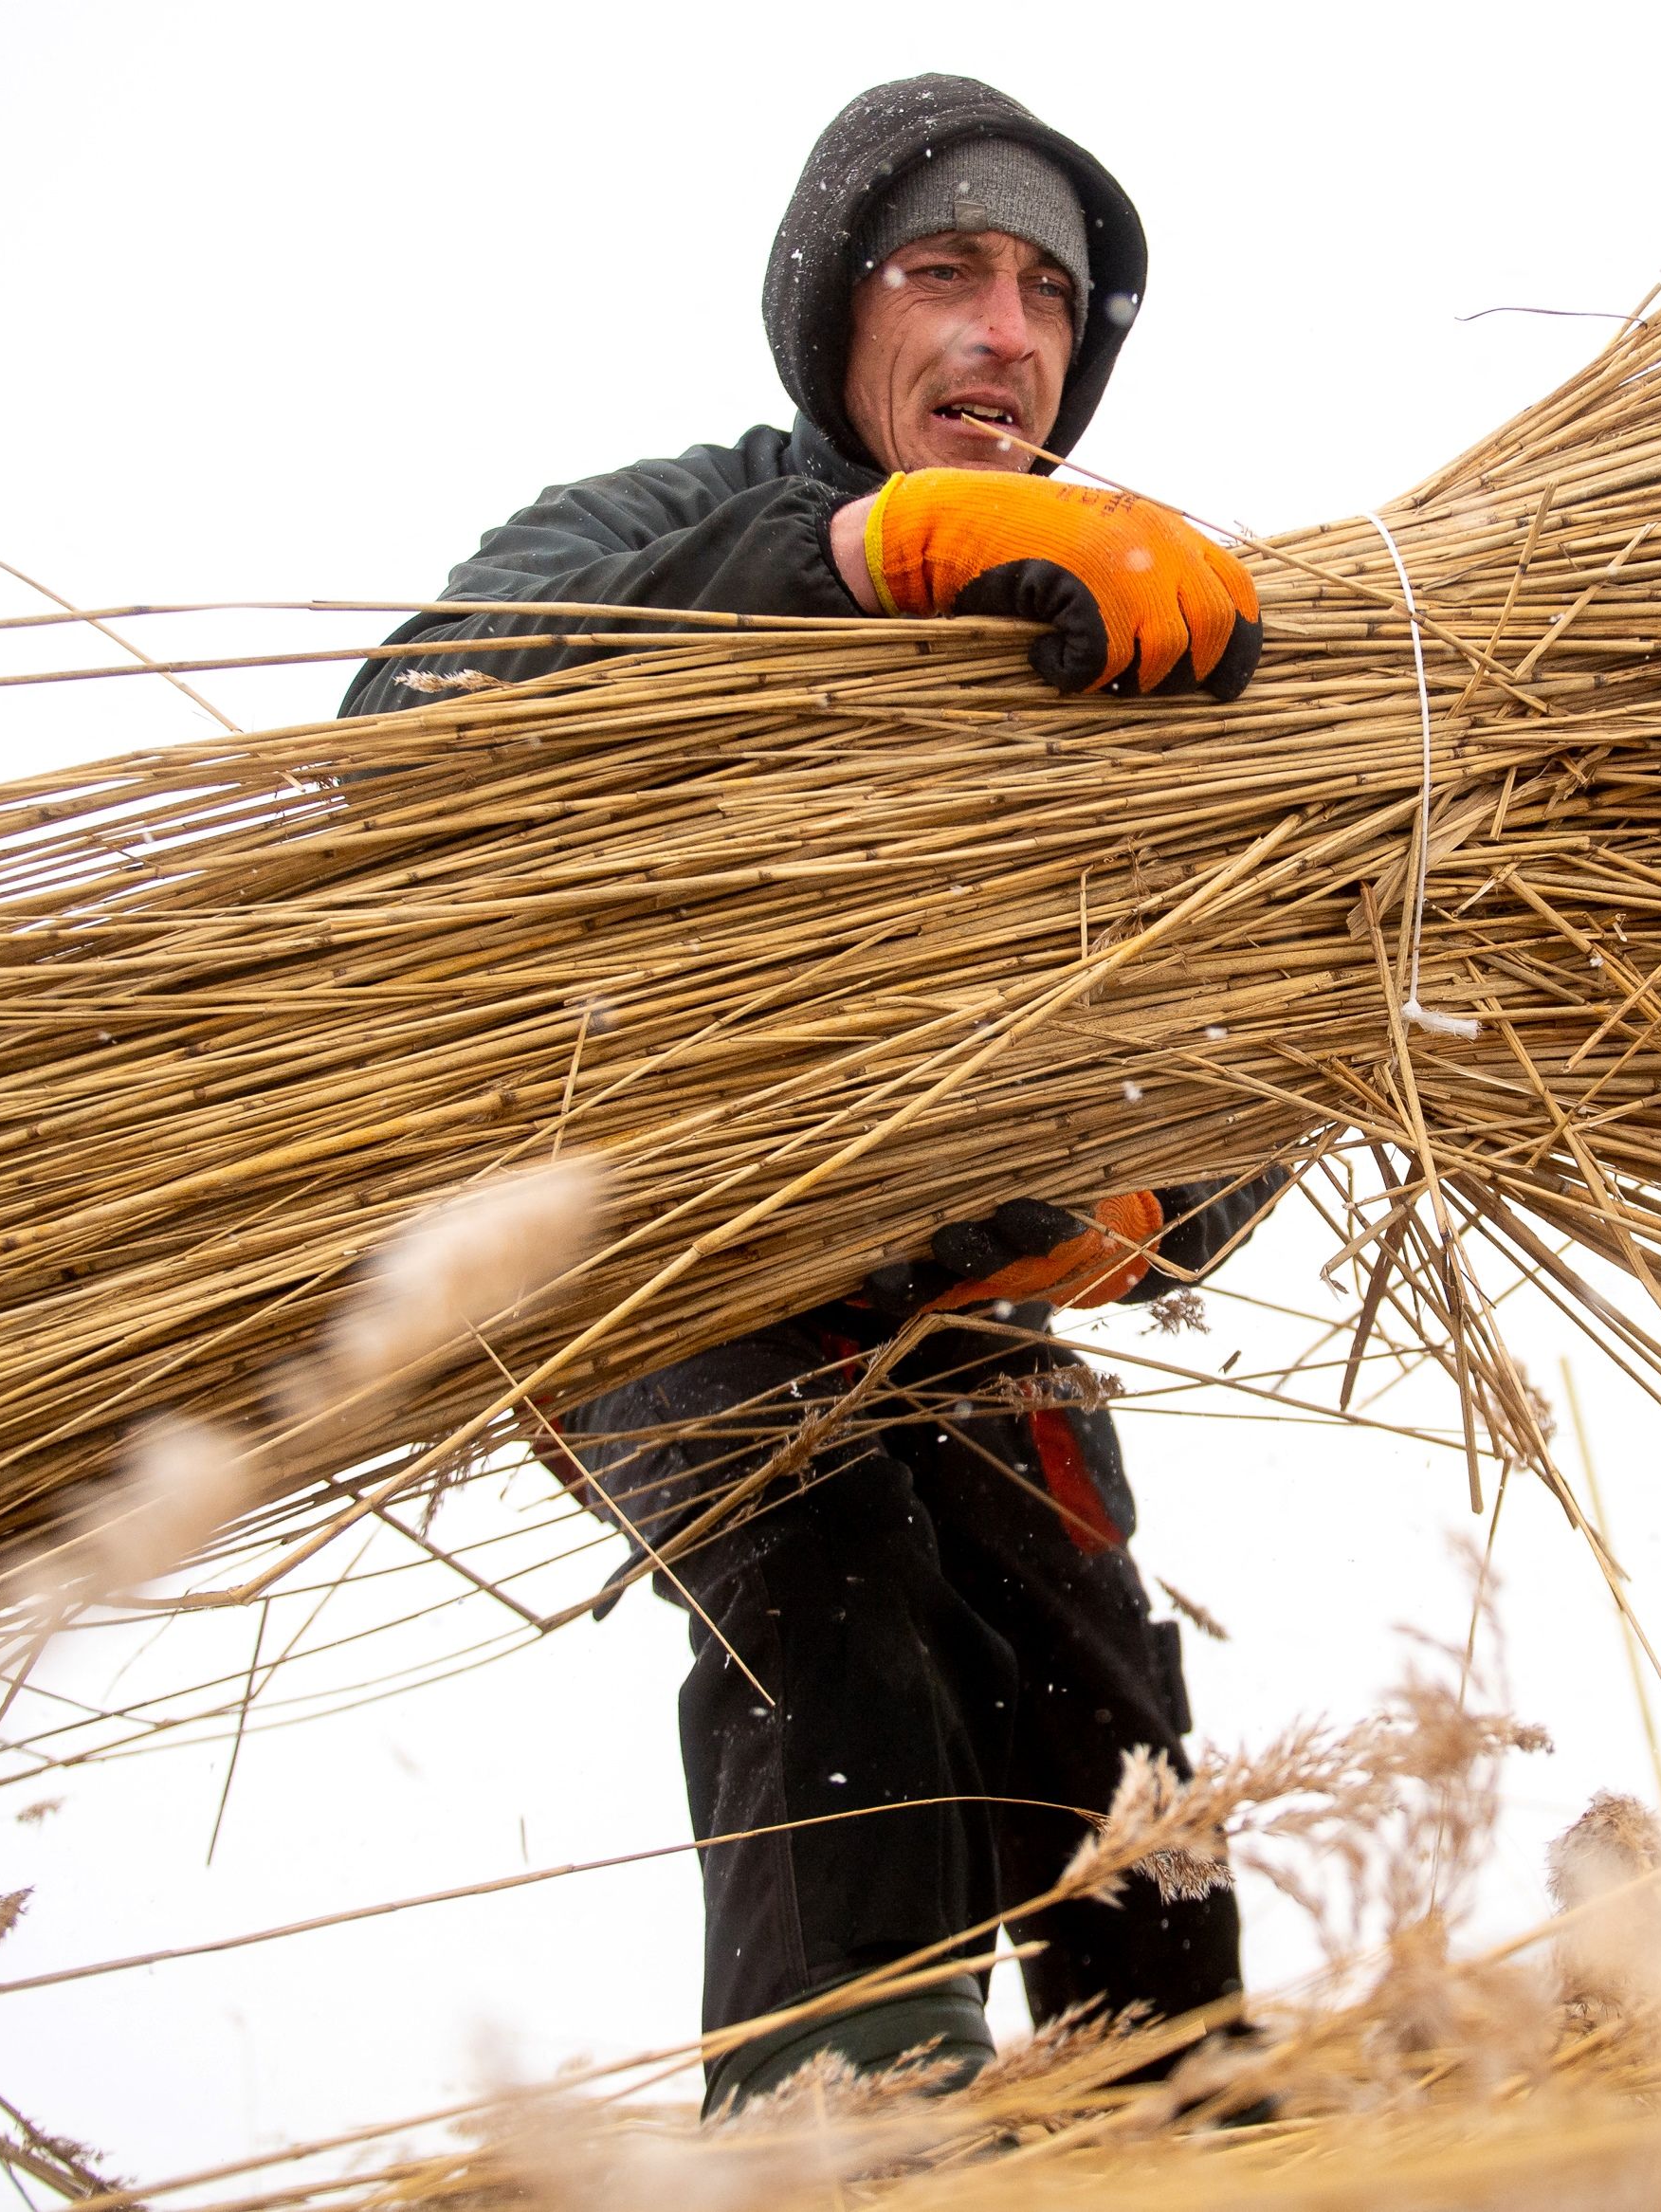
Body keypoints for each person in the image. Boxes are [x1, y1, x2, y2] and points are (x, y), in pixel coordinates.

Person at [338, 75, 1278, 2107]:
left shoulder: (1130, 612)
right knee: (821, 1572)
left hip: (965, 1296)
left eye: (1048, 293)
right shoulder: (665, 526)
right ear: (837, 308)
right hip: (660, 1245)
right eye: (945, 270)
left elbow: (1279, 991)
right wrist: (860, 556)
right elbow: (405, 733)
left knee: (1099, 1700)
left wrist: (1151, 1210)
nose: (1004, 331)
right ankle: (848, 2120)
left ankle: (1189, 2118)